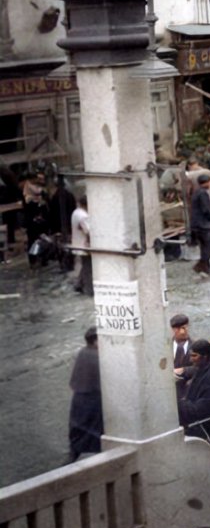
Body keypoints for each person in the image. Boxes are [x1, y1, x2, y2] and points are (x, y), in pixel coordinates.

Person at [178, 339, 210, 446]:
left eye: (194, 356)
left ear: (205, 357)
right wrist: (183, 371)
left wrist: (178, 403)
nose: (191, 359)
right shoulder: (205, 367)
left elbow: (200, 410)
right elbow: (192, 370)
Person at [68, 326, 103, 461]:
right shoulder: (96, 356)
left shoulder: (83, 352)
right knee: (94, 432)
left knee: (78, 429)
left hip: (79, 398)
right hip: (92, 399)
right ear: (95, 341)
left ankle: (74, 453)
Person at [189, 172, 210, 276]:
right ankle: (201, 265)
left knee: (204, 247)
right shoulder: (203, 194)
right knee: (209, 247)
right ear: (207, 182)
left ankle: (206, 269)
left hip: (196, 224)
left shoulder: (196, 192)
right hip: (202, 224)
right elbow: (206, 209)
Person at [70, 194, 92, 294]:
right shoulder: (83, 216)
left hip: (78, 243)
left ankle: (79, 284)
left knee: (85, 265)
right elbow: (88, 231)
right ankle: (88, 288)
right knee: (88, 267)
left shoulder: (75, 212)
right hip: (84, 245)